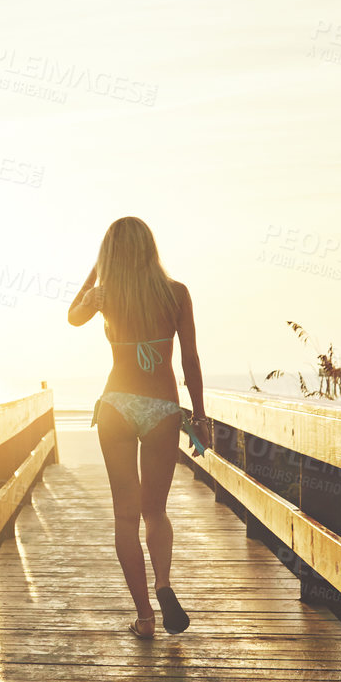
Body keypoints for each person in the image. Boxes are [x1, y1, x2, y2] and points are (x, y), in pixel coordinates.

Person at [67, 216, 212, 640]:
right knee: (155, 512)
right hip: (162, 409)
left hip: (117, 406)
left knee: (125, 517)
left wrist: (96, 269)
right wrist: (199, 415)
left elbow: (73, 317)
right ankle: (163, 584)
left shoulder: (105, 296)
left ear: (108, 254)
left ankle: (145, 617)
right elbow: (190, 362)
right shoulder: (176, 294)